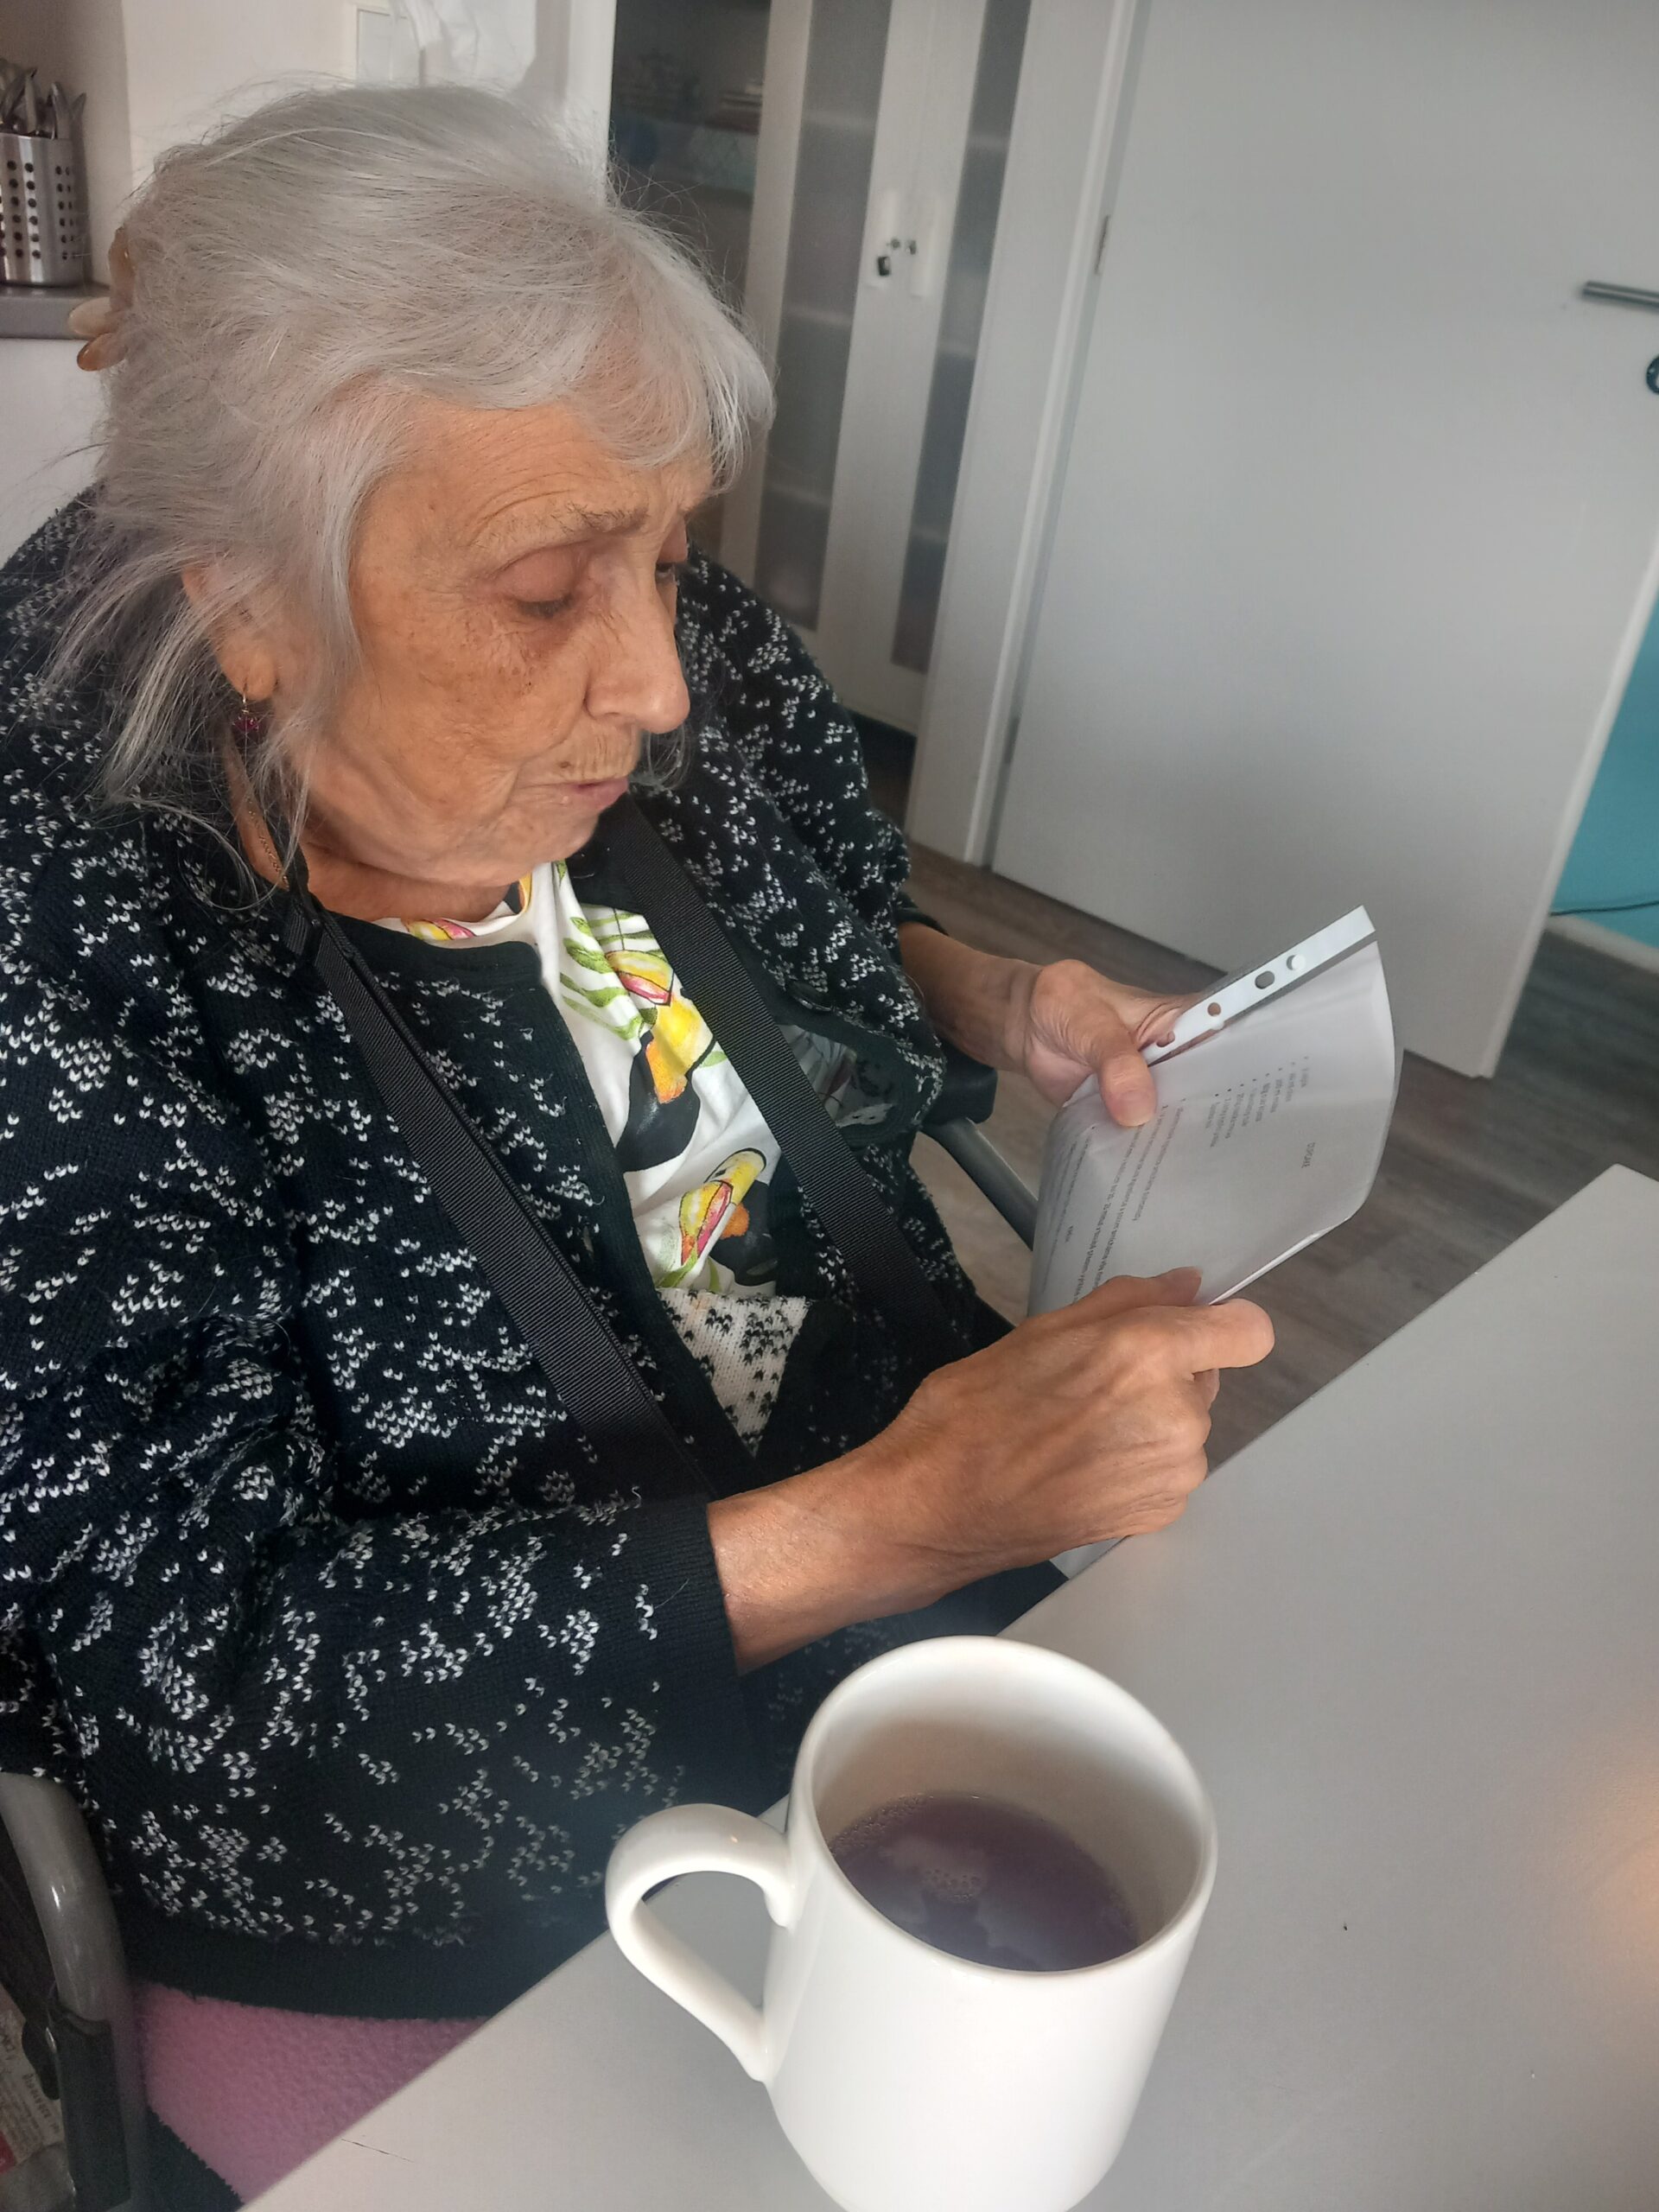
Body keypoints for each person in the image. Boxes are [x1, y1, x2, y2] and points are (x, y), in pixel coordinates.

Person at [0, 86, 1272, 2202]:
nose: (665, 680)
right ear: (248, 608)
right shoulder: (58, 939)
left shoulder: (673, 665)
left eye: (670, 555)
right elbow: (185, 1687)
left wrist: (995, 994)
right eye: (542, 589)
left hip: (941, 1617)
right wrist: (893, 1519)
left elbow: (812, 923)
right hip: (488, 1874)